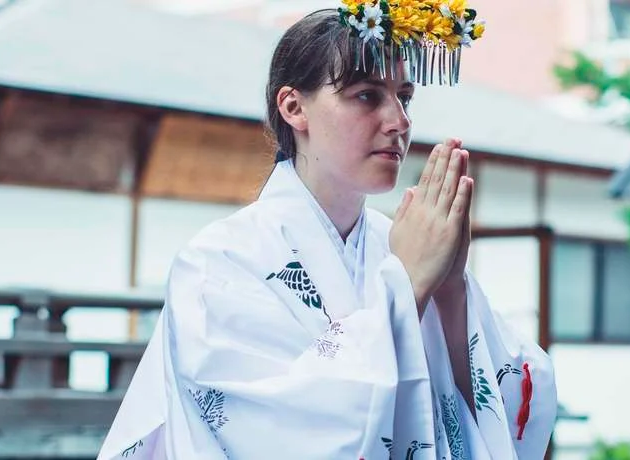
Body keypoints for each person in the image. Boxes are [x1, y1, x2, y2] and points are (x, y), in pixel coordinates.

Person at [99, 2, 557, 459]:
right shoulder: (218, 262)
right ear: (294, 106)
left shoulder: (401, 245)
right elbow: (273, 428)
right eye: (366, 95)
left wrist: (451, 292)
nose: (399, 121)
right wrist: (408, 288)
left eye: (405, 97)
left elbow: (519, 393)